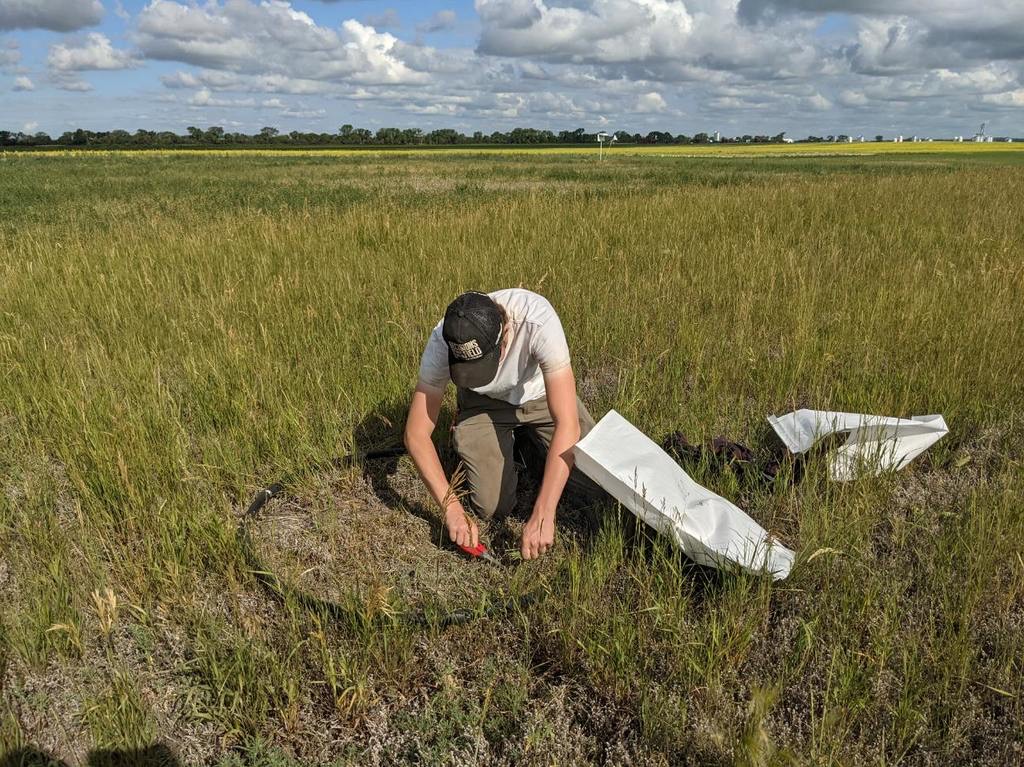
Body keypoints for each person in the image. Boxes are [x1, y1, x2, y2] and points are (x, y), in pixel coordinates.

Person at [404, 289, 602, 560]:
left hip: (541, 396)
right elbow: (416, 435)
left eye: (484, 364)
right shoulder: (444, 340)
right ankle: (505, 443)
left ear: (506, 334)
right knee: (491, 506)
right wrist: (451, 509)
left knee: (598, 480)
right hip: (482, 405)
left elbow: (567, 423)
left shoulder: (537, 319)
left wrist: (544, 513)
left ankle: (527, 443)